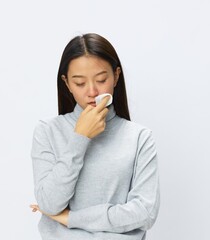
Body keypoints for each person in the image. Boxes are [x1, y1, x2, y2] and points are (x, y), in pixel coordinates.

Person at [29, 33, 160, 240]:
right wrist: (79, 137)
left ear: (116, 76)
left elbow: (145, 214)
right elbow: (49, 203)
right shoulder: (47, 131)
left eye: (101, 79)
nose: (91, 91)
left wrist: (71, 219)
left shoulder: (139, 137)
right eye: (80, 83)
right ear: (67, 83)